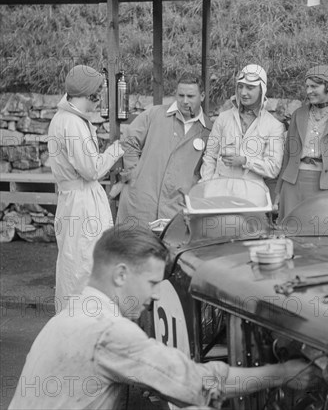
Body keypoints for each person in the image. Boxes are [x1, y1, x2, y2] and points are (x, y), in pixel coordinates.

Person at [9, 225, 317, 410]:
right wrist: (282, 373)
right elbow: (198, 384)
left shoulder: (73, 312)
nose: (155, 295)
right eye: (152, 283)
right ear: (120, 275)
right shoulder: (109, 331)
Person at [47, 65, 124, 308]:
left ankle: (74, 319)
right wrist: (116, 149)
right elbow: (91, 170)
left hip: (73, 199)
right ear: (89, 94)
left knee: (74, 261)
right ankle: (83, 320)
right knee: (84, 263)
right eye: (97, 93)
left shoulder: (64, 119)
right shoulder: (72, 124)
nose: (99, 98)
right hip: (81, 202)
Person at [116, 73, 212, 227]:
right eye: (180, 95)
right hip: (141, 203)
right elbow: (129, 140)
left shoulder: (209, 130)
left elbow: (208, 169)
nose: (184, 101)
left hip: (177, 208)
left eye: (190, 96)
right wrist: (134, 174)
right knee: (133, 248)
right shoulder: (154, 114)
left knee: (171, 249)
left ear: (202, 96)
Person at [276, 65, 328, 220]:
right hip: (293, 184)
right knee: (290, 235)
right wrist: (278, 192)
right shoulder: (298, 114)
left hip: (323, 187)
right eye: (307, 86)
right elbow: (287, 156)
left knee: (319, 236)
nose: (308, 91)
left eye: (314, 86)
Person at [200, 64, 285, 198]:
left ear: (262, 89)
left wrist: (245, 161)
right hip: (219, 191)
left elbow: (273, 168)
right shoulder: (223, 118)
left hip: (252, 195)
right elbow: (210, 155)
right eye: (240, 86)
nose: (243, 92)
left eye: (250, 87)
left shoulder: (274, 126)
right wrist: (207, 185)